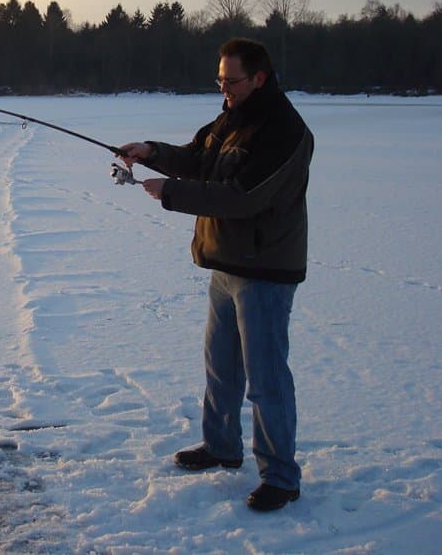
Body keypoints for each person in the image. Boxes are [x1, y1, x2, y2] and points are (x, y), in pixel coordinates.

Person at [119, 37, 313, 512]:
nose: (223, 87)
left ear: (259, 78)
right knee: (221, 369)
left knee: (266, 379)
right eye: (219, 79)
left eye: (232, 80)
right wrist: (151, 151)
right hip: (225, 264)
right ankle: (222, 448)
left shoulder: (284, 130)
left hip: (265, 270)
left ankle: (281, 478)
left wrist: (172, 193)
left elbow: (242, 196)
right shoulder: (232, 117)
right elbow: (198, 156)